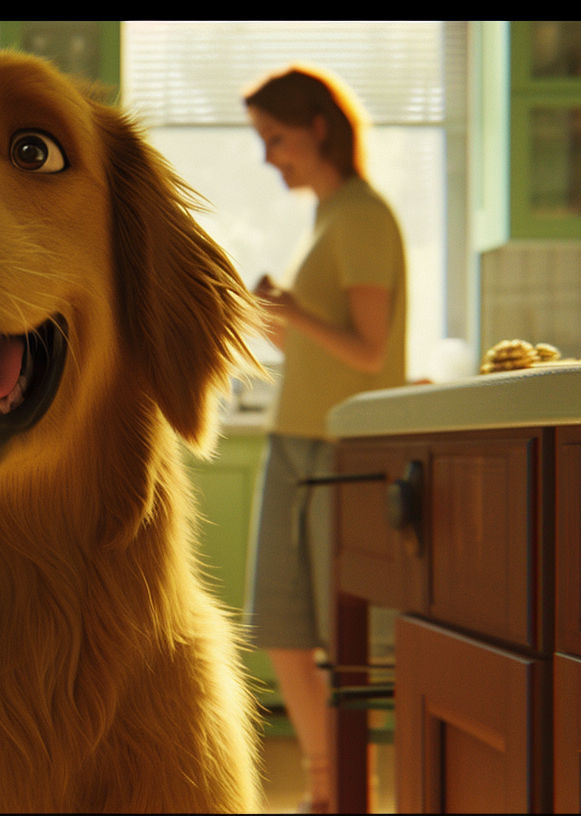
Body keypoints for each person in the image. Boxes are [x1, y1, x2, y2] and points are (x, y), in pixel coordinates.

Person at [242, 66, 407, 814]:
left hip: (339, 451)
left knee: (340, 640)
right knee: (281, 628)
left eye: (275, 138)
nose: (268, 155)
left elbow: (370, 350)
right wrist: (280, 316)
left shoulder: (364, 216)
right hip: (295, 442)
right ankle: (326, 787)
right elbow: (323, 340)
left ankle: (349, 793)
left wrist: (294, 312)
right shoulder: (330, 215)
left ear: (316, 128)